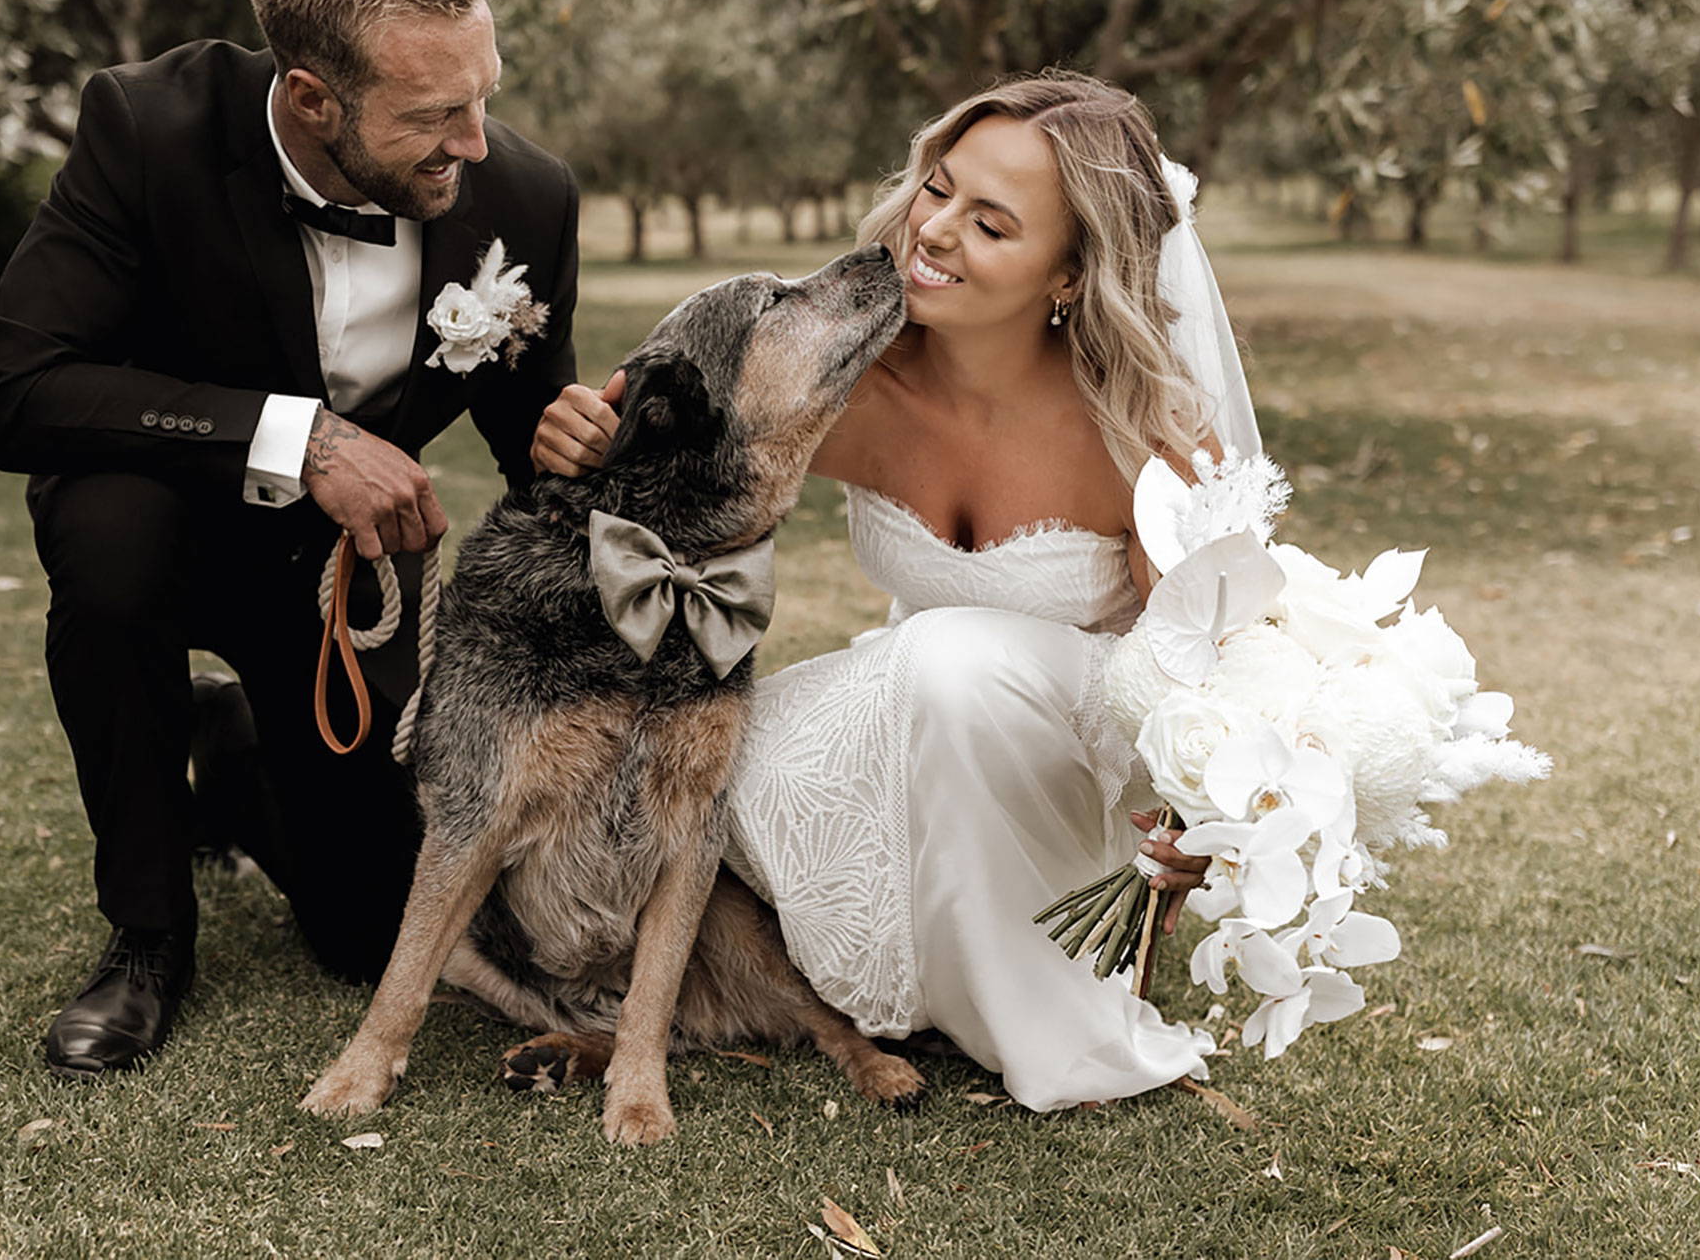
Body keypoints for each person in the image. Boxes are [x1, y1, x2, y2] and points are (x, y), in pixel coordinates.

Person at [533, 71, 1246, 1110]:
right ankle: (810, 987)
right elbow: (655, 455)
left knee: (948, 659)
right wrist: (581, 435)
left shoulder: (1143, 432)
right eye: (938, 188)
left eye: (991, 223)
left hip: (1069, 755)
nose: (936, 231)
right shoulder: (850, 374)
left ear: (1068, 273)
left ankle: (1040, 1023)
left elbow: (1208, 665)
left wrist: (1196, 818)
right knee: (701, 756)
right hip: (911, 713)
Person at [0, 0, 581, 1078]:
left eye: (484, 93)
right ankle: (147, 933)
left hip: (339, 583)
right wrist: (302, 440)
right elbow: (23, 388)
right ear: (311, 97)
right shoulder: (145, 128)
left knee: (363, 934)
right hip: (157, 514)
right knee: (109, 541)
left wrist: (582, 446)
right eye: (433, 113)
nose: (472, 141)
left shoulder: (520, 194)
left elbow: (532, 449)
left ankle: (230, 741)